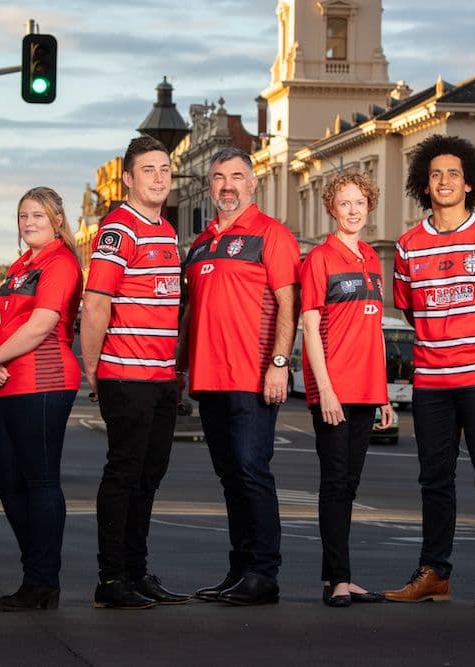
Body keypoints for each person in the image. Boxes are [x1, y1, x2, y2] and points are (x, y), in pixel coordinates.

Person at [385, 135, 475, 606]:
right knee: (433, 479)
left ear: (469, 184)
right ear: (425, 183)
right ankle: (434, 573)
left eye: (453, 174)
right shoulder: (407, 246)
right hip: (432, 383)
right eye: (436, 174)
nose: (444, 181)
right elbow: (411, 311)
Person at [178, 147, 300, 606]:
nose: (227, 186)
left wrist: (280, 363)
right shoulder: (201, 243)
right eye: (217, 178)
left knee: (252, 472)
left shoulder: (273, 235)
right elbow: (191, 314)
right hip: (208, 380)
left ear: (252, 184)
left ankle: (263, 574)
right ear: (210, 186)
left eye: (236, 177)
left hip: (252, 376)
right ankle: (239, 570)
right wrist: (179, 368)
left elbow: (288, 304)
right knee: (230, 478)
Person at [81, 136, 191, 609]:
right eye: (148, 170)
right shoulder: (117, 230)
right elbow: (95, 305)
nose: (159, 177)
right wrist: (94, 371)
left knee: (150, 476)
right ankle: (111, 579)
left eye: (164, 168)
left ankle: (136, 571)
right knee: (124, 475)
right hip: (125, 376)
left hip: (161, 378)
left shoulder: (165, 231)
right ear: (128, 178)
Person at [0, 187, 82, 611]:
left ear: (57, 219)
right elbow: (1, 317)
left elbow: (42, 325)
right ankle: (36, 568)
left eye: (38, 214)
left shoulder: (61, 262)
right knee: (5, 476)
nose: (29, 222)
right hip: (9, 380)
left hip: (45, 380)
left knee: (39, 480)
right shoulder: (21, 265)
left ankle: (42, 581)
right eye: (23, 215)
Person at [300, 171, 393, 608]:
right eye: (345, 203)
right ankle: (339, 579)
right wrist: (326, 390)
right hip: (333, 391)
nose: (353, 210)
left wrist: (384, 394)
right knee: (335, 484)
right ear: (331, 209)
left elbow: (373, 332)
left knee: (350, 485)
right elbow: (311, 328)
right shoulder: (319, 258)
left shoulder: (373, 260)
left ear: (368, 206)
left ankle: (335, 575)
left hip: (365, 390)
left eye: (360, 202)